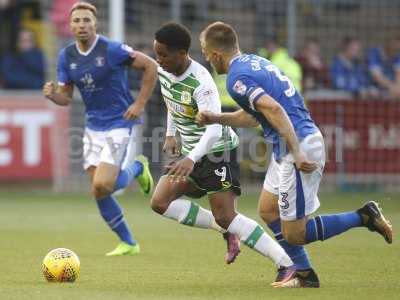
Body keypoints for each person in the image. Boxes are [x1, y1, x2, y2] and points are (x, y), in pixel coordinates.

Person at [197, 21, 393, 288]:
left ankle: (364, 216)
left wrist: (297, 151)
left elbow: (275, 110)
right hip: (288, 146)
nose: (207, 59)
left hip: (297, 146)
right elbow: (256, 116)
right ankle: (304, 274)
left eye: (206, 53)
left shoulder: (236, 79)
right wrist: (216, 117)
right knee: (267, 209)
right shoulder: (255, 62)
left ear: (216, 54)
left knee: (296, 233)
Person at [151, 22, 297, 284]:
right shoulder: (164, 72)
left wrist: (190, 158)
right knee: (160, 202)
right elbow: (173, 104)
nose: (158, 60)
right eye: (156, 53)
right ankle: (225, 229)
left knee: (227, 215)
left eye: (163, 54)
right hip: (190, 153)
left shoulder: (202, 82)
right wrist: (171, 133)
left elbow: (215, 129)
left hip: (217, 151)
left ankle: (286, 263)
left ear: (182, 54)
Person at [43, 2, 157, 256]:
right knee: (98, 190)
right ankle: (129, 243)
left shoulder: (112, 49)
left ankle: (138, 166)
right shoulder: (67, 56)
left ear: (96, 24)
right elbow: (66, 98)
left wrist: (139, 103)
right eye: (77, 21)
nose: (82, 25)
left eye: (86, 20)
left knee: (105, 184)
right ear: (70, 26)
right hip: (93, 126)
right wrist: (53, 96)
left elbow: (151, 66)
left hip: (119, 122)